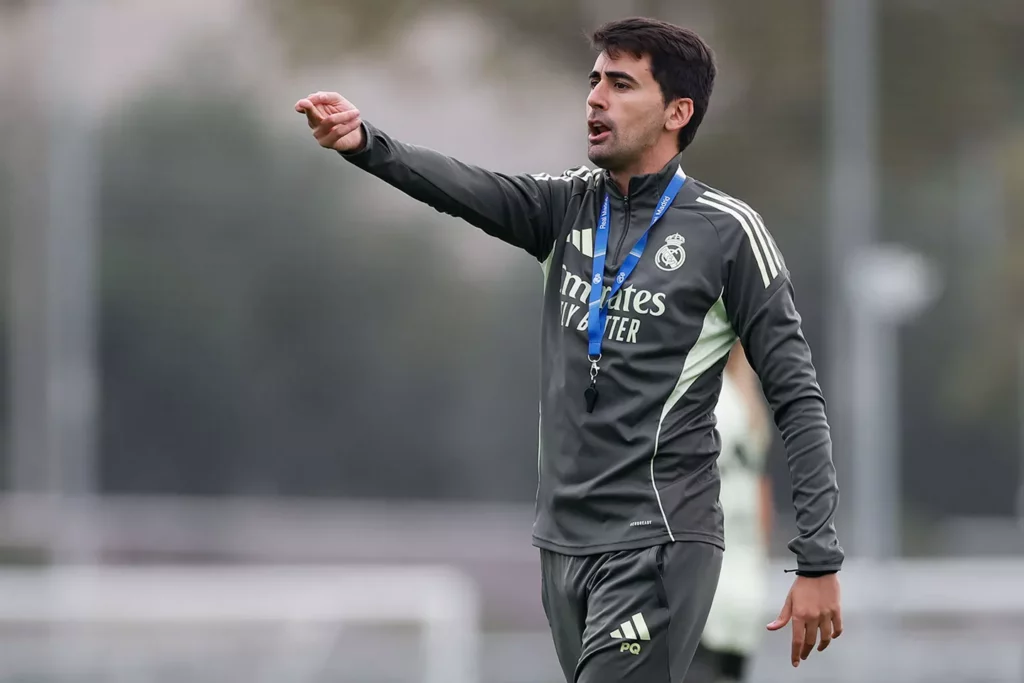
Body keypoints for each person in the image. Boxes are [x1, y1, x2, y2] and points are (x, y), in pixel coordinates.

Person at [295, 15, 843, 683]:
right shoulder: (564, 208)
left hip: (658, 540)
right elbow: (464, 187)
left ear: (677, 111)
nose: (595, 98)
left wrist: (817, 557)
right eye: (593, 82)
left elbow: (798, 397)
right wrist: (365, 142)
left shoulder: (728, 232)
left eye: (620, 84)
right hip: (563, 543)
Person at [686, 342, 774, 683]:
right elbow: (764, 505)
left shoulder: (708, 403)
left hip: (703, 584)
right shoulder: (749, 405)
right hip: (745, 584)